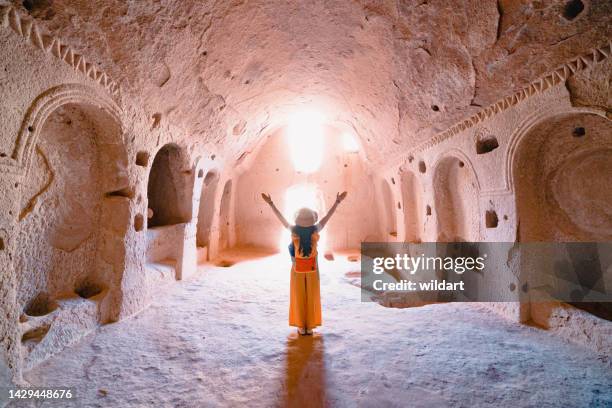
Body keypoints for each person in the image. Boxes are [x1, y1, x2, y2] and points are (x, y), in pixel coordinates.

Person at [261, 191, 348, 335]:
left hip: (297, 269)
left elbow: (280, 218)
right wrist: (337, 202)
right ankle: (310, 326)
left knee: (299, 295)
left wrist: (271, 204)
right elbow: (328, 217)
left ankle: (302, 326)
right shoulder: (316, 229)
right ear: (311, 219)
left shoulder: (293, 229)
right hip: (313, 268)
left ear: (298, 219)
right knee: (311, 295)